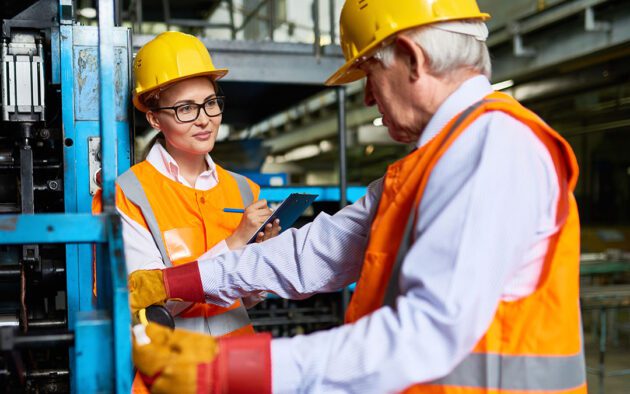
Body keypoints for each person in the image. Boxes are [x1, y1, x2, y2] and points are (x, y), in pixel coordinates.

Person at [128, 1, 586, 393]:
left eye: (370, 74)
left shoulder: (493, 149)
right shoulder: (435, 159)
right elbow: (312, 252)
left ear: (412, 58)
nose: (368, 98)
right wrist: (175, 282)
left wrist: (231, 367)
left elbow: (423, 335)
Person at [112, 31, 279, 392]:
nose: (204, 119)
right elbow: (146, 302)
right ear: (155, 118)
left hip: (238, 369)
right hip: (170, 375)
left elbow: (245, 298)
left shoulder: (243, 189)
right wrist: (235, 243)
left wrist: (263, 260)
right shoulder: (130, 193)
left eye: (210, 103)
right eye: (186, 108)